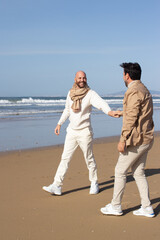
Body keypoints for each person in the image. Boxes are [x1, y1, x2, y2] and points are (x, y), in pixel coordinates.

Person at [43, 70, 119, 195]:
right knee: (65, 158)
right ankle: (57, 185)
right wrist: (59, 123)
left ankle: (94, 183)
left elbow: (101, 104)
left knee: (89, 158)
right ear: (75, 79)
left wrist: (110, 112)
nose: (82, 80)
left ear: (86, 79)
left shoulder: (90, 94)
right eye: (79, 78)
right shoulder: (70, 93)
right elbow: (67, 110)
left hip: (85, 132)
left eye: (84, 78)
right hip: (71, 132)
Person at [100, 62, 155, 217]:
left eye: (123, 74)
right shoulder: (144, 89)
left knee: (120, 171)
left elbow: (132, 117)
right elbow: (138, 112)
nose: (123, 77)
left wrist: (123, 139)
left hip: (137, 140)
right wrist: (122, 112)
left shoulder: (133, 91)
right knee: (138, 172)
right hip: (147, 138)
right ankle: (147, 207)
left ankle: (116, 206)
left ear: (127, 75)